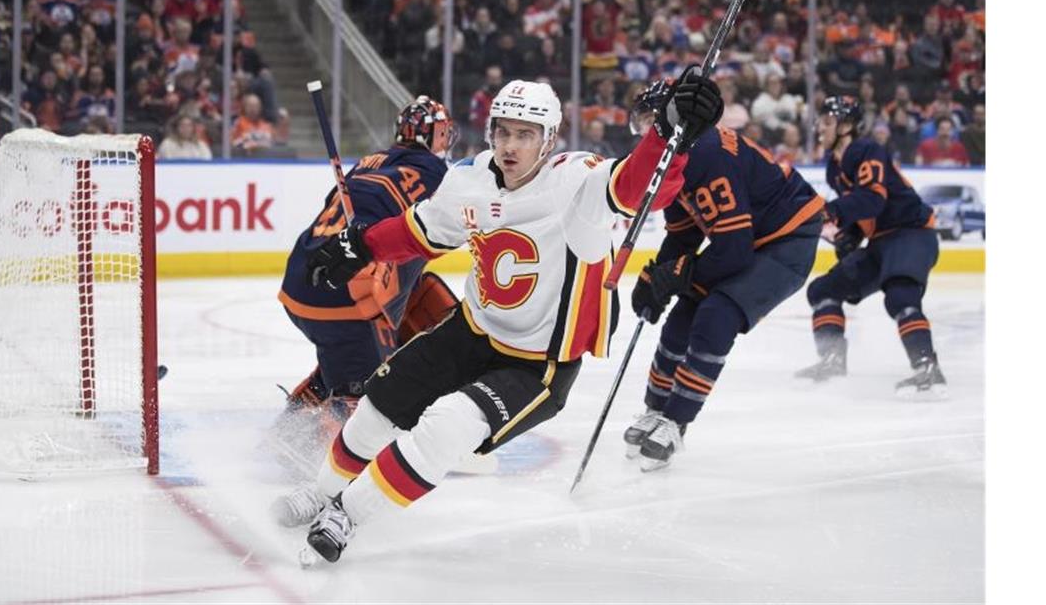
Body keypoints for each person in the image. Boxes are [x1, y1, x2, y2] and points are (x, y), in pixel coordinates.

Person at [276, 76, 723, 564]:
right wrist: (361, 245)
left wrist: (670, 135)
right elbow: (420, 231)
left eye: (526, 134)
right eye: (503, 132)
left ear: (549, 139)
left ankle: (347, 515)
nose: (511, 146)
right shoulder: (468, 179)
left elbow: (641, 188)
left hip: (537, 364)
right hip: (472, 330)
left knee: (446, 428)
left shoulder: (579, 182)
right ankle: (322, 492)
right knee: (379, 405)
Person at [624, 81, 824, 471]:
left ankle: (676, 422)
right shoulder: (679, 159)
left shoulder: (710, 154)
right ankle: (655, 410)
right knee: (683, 315)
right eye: (644, 126)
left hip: (787, 239)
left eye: (653, 123)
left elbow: (732, 249)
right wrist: (657, 277)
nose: (649, 135)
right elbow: (683, 234)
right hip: (749, 239)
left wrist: (678, 272)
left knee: (718, 313)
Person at [275, 97, 459, 465]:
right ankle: (308, 455)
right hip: (347, 293)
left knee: (343, 359)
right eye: (442, 134)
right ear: (435, 136)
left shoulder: (370, 161)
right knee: (372, 396)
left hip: (298, 279)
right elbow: (447, 226)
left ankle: (290, 424)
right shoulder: (438, 175)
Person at [795, 96, 946, 396]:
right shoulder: (834, 167)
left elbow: (873, 199)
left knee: (900, 294)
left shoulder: (867, 149)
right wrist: (849, 235)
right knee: (823, 291)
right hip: (881, 242)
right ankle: (832, 358)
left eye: (827, 122)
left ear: (847, 125)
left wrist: (832, 213)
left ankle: (927, 367)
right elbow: (865, 209)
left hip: (910, 232)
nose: (819, 128)